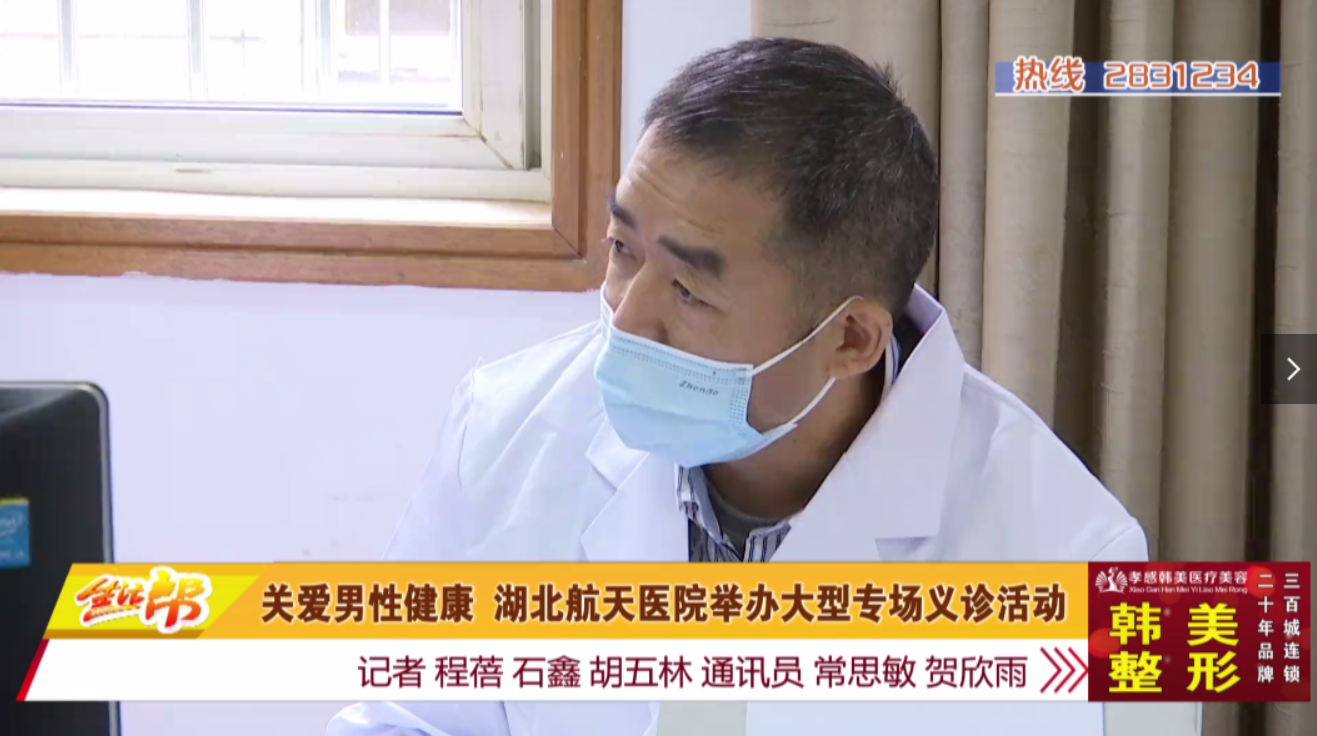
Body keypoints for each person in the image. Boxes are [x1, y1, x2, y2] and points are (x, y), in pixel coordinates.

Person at [328, 37, 1147, 736]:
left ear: (848, 339)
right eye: (622, 250)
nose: (626, 320)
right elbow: (407, 715)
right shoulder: (504, 430)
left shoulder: (1067, 553)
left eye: (688, 291)